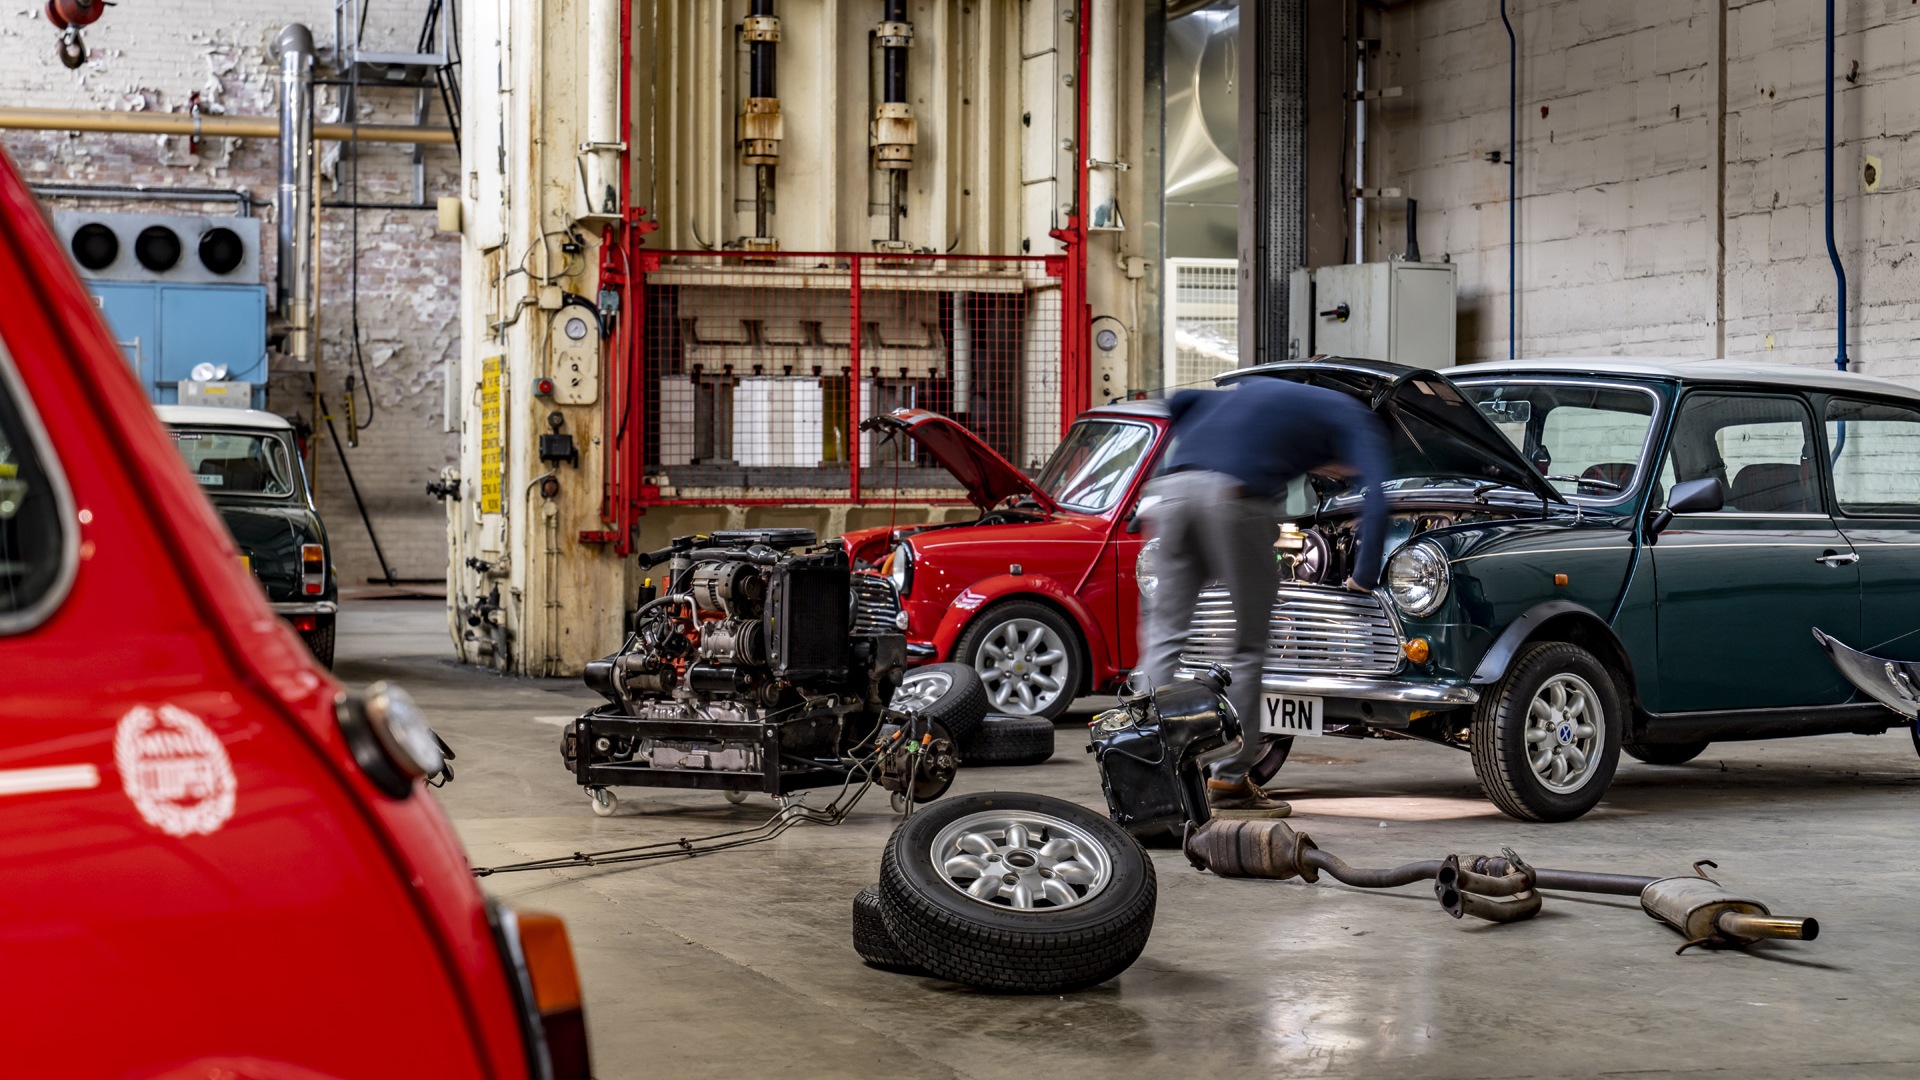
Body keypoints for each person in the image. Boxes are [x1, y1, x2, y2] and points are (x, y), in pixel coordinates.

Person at [1137, 378, 1390, 817]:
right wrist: (1362, 579)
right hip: (1233, 497)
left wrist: (1172, 469)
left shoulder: (1269, 394)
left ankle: (1141, 765)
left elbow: (1179, 401)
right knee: (1251, 646)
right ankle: (1230, 779)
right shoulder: (1359, 420)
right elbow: (1378, 501)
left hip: (1172, 492)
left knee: (1164, 636)